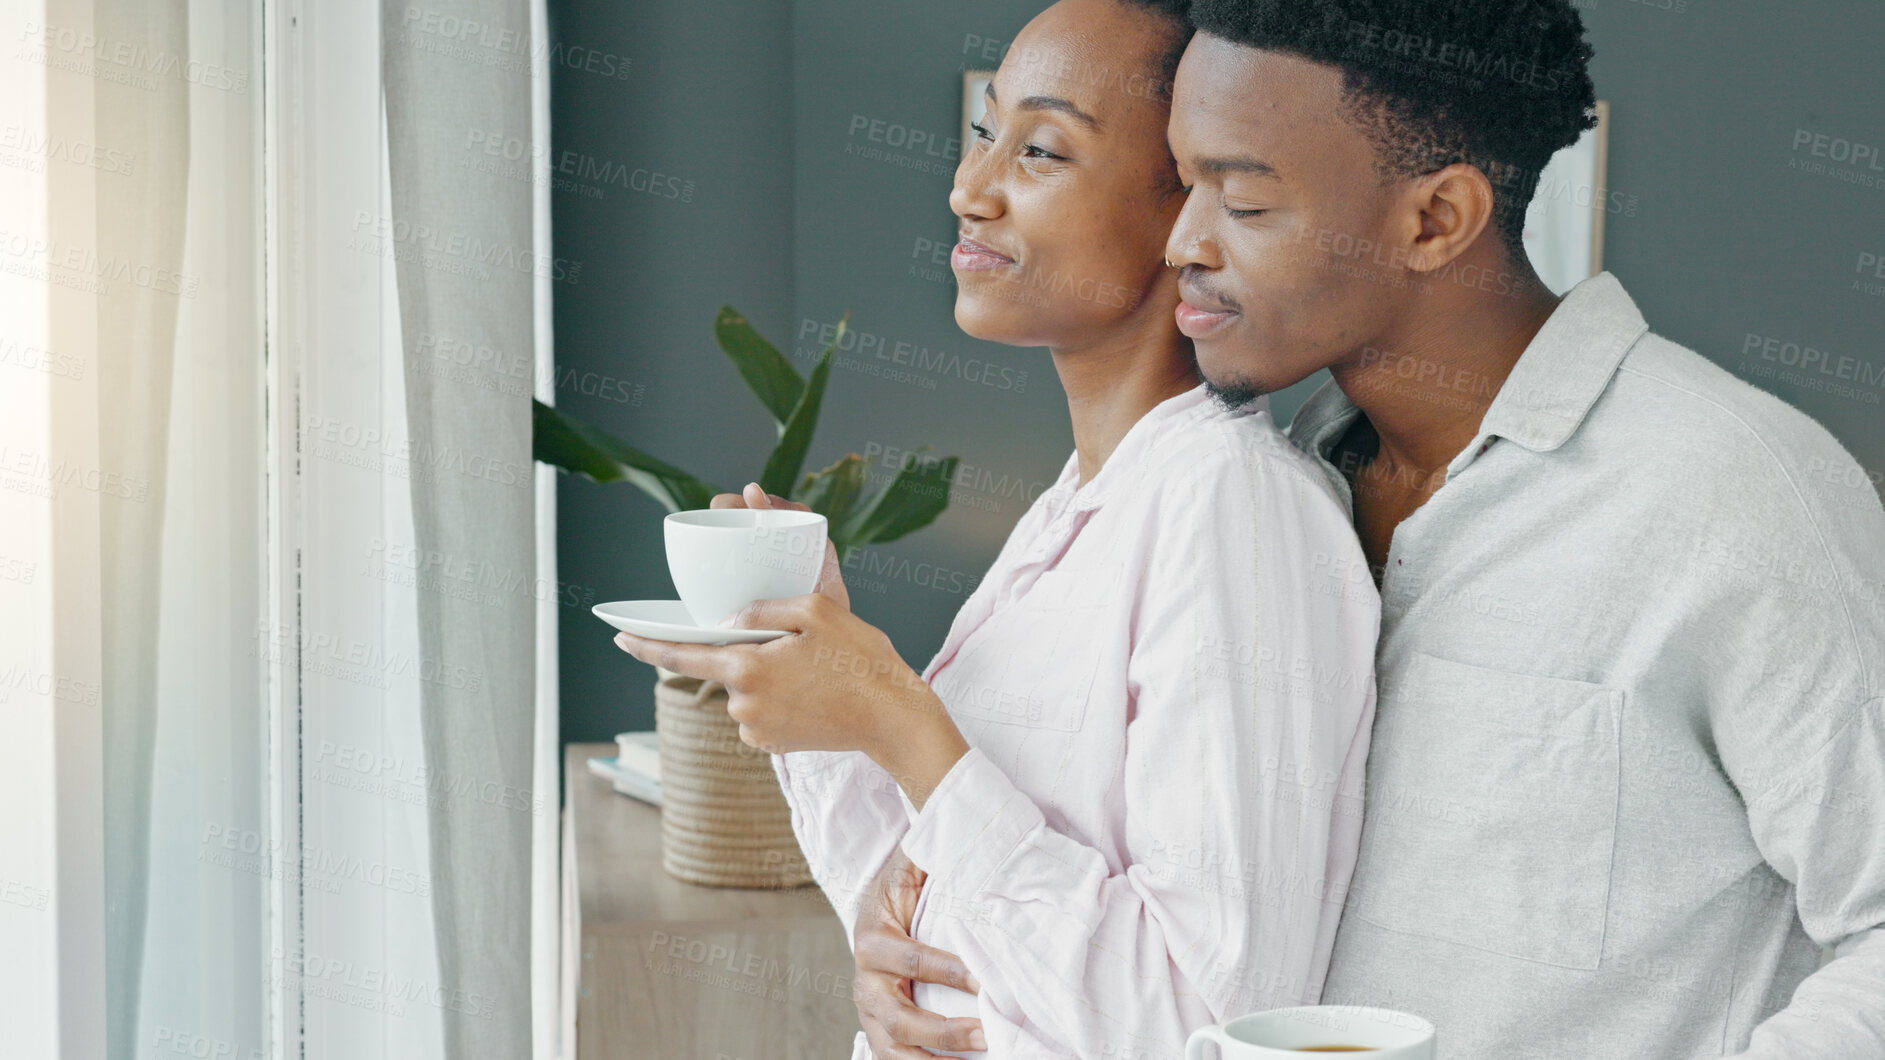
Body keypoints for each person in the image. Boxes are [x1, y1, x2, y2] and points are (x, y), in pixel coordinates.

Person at [610, 0, 1381, 1056]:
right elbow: (933, 923)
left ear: (1187, 212)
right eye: (985, 132)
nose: (969, 189)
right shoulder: (1081, 504)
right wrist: (809, 641)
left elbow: (1198, 1023)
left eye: (1042, 150)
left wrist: (896, 718)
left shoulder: (1236, 511)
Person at [1146, 0, 1880, 1056]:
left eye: (1245, 203)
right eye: (1182, 183)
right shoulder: (1252, 496)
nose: (1183, 242)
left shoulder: (1737, 492)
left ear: (1435, 218)